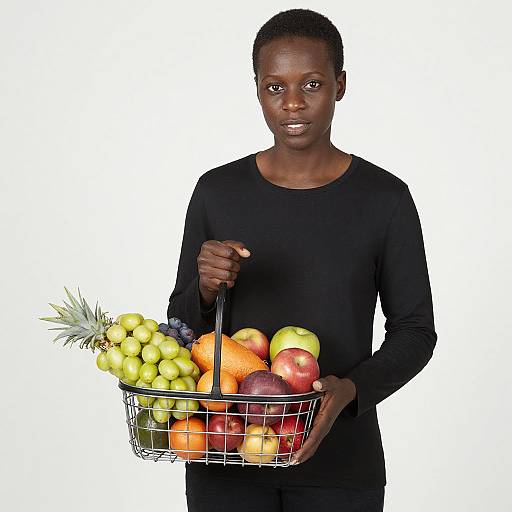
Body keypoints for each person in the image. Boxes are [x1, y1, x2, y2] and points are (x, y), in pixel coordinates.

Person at [167, 8, 437, 512]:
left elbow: (416, 331)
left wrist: (350, 392)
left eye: (311, 84)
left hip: (342, 465)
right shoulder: (216, 192)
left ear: (339, 84)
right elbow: (183, 327)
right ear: (257, 90)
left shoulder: (385, 199)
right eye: (275, 87)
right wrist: (203, 288)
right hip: (226, 454)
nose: (292, 103)